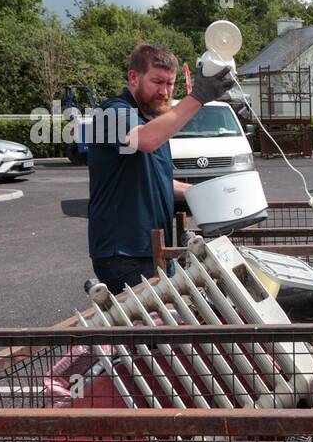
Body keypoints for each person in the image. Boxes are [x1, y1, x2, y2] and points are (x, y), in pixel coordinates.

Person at [87, 43, 238, 292]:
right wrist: (198, 97)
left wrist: (206, 193)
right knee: (154, 329)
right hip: (124, 253)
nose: (165, 91)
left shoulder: (153, 123)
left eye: (170, 84)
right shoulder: (111, 113)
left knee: (164, 326)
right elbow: (144, 140)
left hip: (155, 250)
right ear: (133, 77)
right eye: (157, 82)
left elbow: (159, 181)